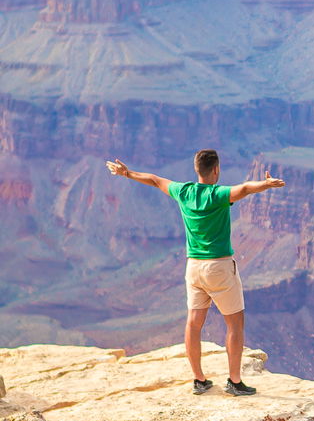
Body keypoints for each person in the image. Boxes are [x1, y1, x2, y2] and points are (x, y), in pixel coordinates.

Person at [105, 149, 285, 396]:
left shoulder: (184, 191)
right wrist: (265, 184)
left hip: (193, 267)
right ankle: (234, 381)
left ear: (196, 169)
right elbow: (244, 189)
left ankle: (199, 380)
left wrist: (127, 173)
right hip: (219, 267)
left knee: (193, 322)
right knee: (234, 324)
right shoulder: (218, 194)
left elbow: (155, 179)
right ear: (216, 170)